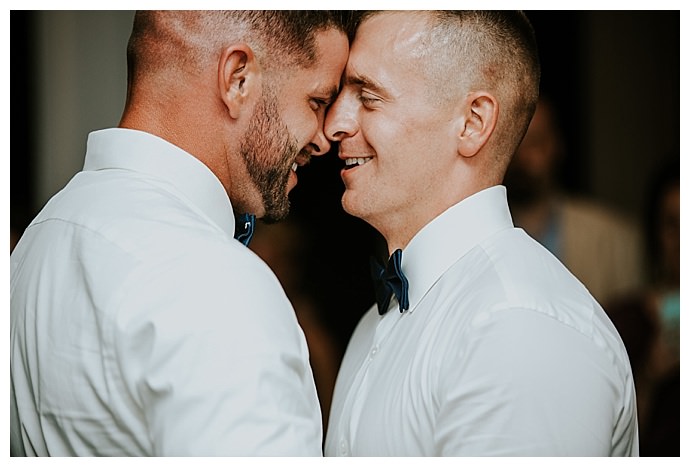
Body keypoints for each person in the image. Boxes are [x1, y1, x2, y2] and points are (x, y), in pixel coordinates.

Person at [10, 11, 350, 456]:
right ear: (237, 78)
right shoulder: (218, 285)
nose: (324, 139)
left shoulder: (40, 239)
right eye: (317, 101)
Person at [323, 11, 638, 456]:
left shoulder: (518, 325)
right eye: (340, 95)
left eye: (368, 97)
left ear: (472, 123)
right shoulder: (377, 321)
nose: (334, 123)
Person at [504, 95, 644, 304]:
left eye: (534, 143)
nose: (521, 156)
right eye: (514, 142)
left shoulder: (613, 238)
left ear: (557, 146)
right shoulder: (479, 236)